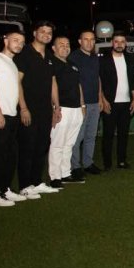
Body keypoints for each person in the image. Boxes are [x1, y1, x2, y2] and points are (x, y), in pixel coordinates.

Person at [16, 20, 60, 196]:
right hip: (29, 109)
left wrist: (56, 107)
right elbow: (17, 82)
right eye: (42, 31)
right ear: (34, 33)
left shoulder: (49, 55)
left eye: (49, 32)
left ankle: (36, 181)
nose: (46, 35)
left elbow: (53, 82)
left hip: (45, 110)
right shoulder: (24, 53)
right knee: (28, 147)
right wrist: (23, 108)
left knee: (42, 146)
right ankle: (25, 186)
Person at [0, 31, 27, 206]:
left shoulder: (12, 63)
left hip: (11, 115)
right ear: (5, 41)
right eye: (15, 40)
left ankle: (5, 189)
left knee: (10, 155)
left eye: (22, 42)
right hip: (0, 114)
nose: (19, 44)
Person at [99, 32, 134, 171]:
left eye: (122, 41)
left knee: (123, 134)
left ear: (125, 44)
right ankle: (107, 163)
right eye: (117, 41)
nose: (119, 44)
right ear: (112, 43)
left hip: (126, 103)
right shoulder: (104, 60)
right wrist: (103, 100)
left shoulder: (129, 59)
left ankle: (122, 161)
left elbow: (133, 81)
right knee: (108, 135)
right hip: (109, 103)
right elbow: (99, 81)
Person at [48, 36, 85, 188]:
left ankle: (65, 174)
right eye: (61, 44)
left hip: (76, 109)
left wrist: (82, 105)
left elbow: (78, 86)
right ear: (54, 48)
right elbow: (52, 86)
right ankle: (55, 177)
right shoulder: (51, 63)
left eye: (67, 44)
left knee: (69, 144)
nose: (65, 47)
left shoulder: (72, 64)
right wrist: (56, 107)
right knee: (57, 143)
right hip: (62, 108)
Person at [68, 30, 102, 177]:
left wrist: (100, 97)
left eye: (92, 39)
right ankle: (75, 166)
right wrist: (82, 104)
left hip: (94, 103)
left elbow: (97, 78)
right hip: (81, 104)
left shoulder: (94, 57)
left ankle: (88, 163)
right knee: (78, 137)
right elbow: (75, 82)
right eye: (86, 39)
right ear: (80, 41)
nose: (89, 42)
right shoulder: (74, 57)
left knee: (91, 136)